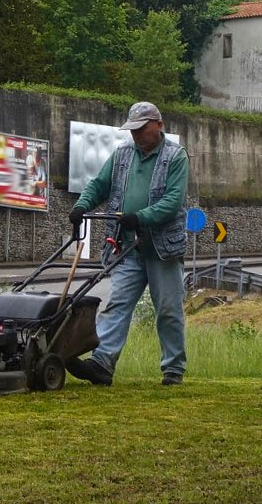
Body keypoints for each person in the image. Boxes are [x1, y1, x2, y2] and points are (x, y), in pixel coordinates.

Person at [67, 100, 189, 386]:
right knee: (118, 304)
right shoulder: (122, 154)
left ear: (158, 125)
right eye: (132, 130)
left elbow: (172, 202)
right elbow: (99, 185)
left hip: (162, 250)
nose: (135, 135)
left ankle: (173, 369)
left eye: (141, 129)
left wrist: (141, 217)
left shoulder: (176, 157)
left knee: (168, 310)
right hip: (127, 247)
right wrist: (81, 207)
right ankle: (102, 364)